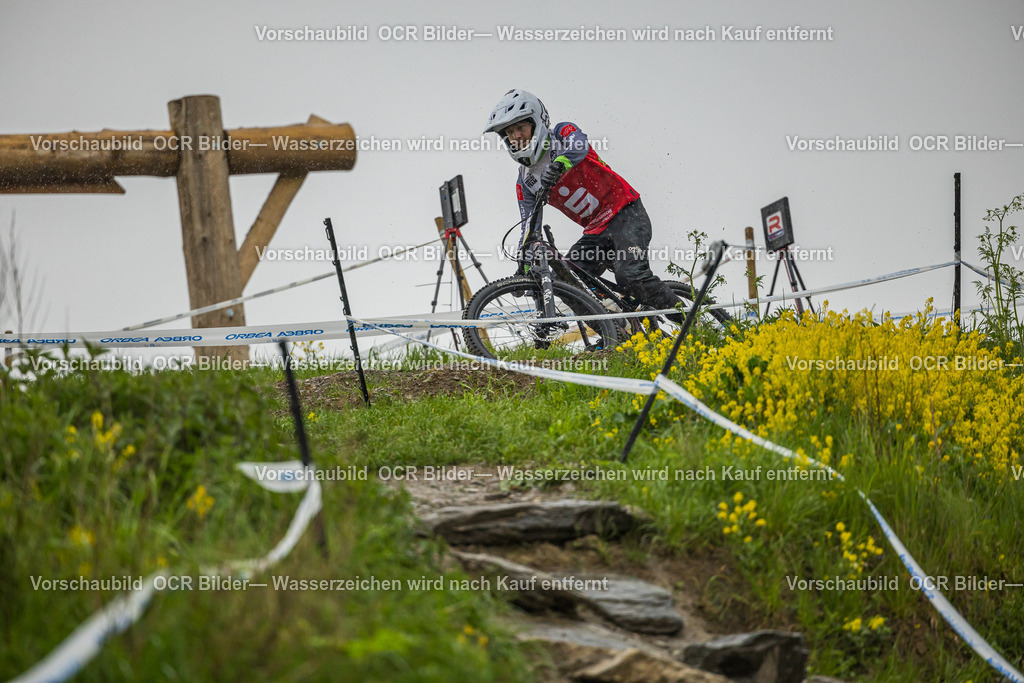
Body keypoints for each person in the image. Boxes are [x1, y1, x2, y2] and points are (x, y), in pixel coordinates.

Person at [483, 88, 681, 319]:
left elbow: (579, 145)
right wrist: (523, 266)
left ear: (537, 122)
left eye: (520, 127)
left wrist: (560, 163)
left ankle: (694, 321)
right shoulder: (525, 181)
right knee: (564, 283)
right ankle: (616, 332)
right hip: (596, 232)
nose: (516, 136)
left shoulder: (561, 133)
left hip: (626, 213)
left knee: (631, 276)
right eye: (509, 132)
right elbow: (529, 228)